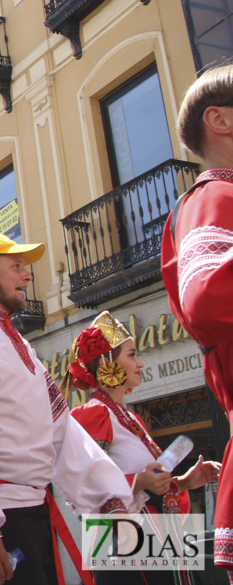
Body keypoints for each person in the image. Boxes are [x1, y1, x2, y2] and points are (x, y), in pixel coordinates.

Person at [0, 233, 136, 585]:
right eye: (16, 266)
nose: (26, 276)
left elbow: (61, 429)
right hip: (3, 518)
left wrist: (107, 497)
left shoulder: (21, 346)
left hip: (34, 511)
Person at [68, 311, 221, 585]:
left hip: (152, 535)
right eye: (131, 355)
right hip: (120, 539)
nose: (140, 363)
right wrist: (140, 480)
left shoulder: (130, 418)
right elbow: (83, 481)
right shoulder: (93, 414)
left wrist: (184, 482)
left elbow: (144, 486)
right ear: (107, 363)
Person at [161, 61, 233, 572]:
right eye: (124, 358)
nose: (137, 365)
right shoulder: (214, 197)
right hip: (128, 526)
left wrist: (177, 483)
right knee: (141, 577)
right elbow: (85, 480)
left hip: (150, 521)